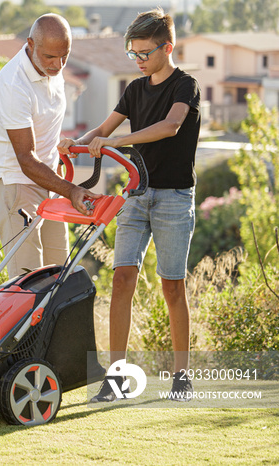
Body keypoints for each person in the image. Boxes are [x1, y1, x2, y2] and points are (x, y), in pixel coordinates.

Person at [58, 8, 200, 402]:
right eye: (132, 53)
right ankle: (116, 378)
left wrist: (119, 142)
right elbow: (102, 131)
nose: (137, 60)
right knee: (122, 281)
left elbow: (170, 127)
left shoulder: (185, 86)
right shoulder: (135, 90)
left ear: (166, 47)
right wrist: (78, 143)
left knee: (173, 288)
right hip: (136, 196)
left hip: (174, 198)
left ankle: (181, 377)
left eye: (143, 53)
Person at [0, 13, 101, 279]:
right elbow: (26, 159)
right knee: (28, 284)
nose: (58, 64)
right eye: (51, 57)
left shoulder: (53, 68)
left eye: (65, 55)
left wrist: (62, 152)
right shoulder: (14, 85)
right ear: (30, 44)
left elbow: (45, 120)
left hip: (49, 182)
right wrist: (72, 190)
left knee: (60, 277)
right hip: (17, 185)